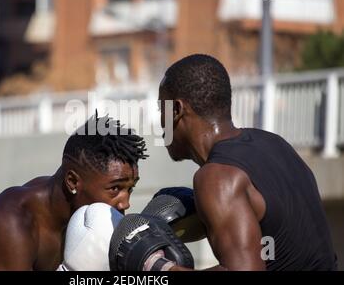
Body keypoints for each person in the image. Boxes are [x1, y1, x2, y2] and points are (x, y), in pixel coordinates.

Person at [110, 54, 337, 271]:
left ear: (177, 110)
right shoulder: (275, 144)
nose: (160, 121)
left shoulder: (217, 178)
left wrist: (159, 267)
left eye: (162, 109)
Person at [0, 114, 147, 271]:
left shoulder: (93, 224)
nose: (125, 203)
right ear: (72, 182)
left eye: (130, 189)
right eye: (115, 188)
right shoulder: (11, 221)